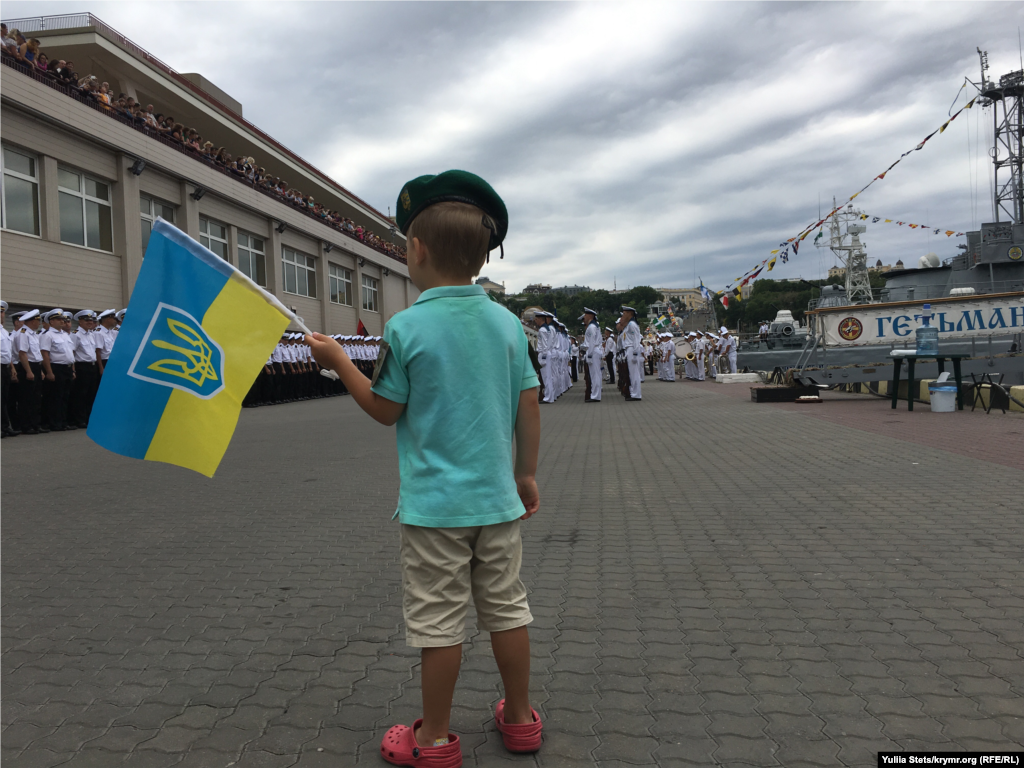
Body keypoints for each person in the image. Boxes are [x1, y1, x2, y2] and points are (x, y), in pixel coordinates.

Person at [305, 170, 542, 765]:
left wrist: (339, 362)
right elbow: (529, 403)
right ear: (483, 255)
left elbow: (385, 410)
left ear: (416, 249)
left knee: (440, 622)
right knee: (507, 609)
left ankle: (434, 738)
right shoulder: (508, 324)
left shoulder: (405, 326)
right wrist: (525, 475)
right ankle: (519, 720)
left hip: (435, 509)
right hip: (497, 502)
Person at [39, 309, 75, 431]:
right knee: (56, 397)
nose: (62, 321)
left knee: (65, 396)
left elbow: (70, 354)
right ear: (51, 322)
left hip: (67, 368)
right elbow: (45, 354)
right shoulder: (48, 335)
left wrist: (73, 370)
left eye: (62, 319)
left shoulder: (65, 335)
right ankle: (55, 423)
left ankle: (63, 421)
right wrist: (49, 372)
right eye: (59, 319)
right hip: (56, 368)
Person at [13, 309, 44, 434]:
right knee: (26, 398)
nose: (39, 323)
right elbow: (22, 354)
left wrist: (40, 371)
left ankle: (35, 424)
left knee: (36, 397)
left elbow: (36, 354)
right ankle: (26, 425)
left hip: (36, 366)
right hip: (27, 366)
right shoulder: (23, 333)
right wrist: (29, 371)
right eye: (38, 320)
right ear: (32, 321)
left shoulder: (33, 334)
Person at [0, 300, 18, 437]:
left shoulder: (5, 332)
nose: (1, 315)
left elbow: (8, 353)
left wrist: (12, 367)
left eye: (2, 312)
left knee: (3, 398)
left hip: (5, 368)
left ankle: (5, 427)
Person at [620, 306, 643, 400]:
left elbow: (636, 339)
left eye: (625, 313)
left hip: (632, 349)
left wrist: (635, 353)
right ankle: (633, 392)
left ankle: (636, 394)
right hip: (629, 349)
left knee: (634, 373)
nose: (623, 315)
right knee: (631, 373)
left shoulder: (632, 324)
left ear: (630, 314)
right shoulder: (630, 324)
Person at [581, 308, 602, 402]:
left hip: (592, 351)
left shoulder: (591, 327)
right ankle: (595, 394)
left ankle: (595, 396)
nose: (584, 317)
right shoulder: (594, 326)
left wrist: (589, 355)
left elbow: (592, 342)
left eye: (585, 315)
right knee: (595, 374)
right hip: (594, 351)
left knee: (595, 375)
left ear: (590, 316)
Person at [534, 310, 556, 403]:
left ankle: (547, 397)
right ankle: (550, 396)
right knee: (548, 377)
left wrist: (543, 357)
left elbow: (544, 344)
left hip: (544, 354)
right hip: (547, 354)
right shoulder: (547, 328)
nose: (535, 321)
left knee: (546, 377)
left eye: (536, 319)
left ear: (540, 319)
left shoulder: (542, 330)